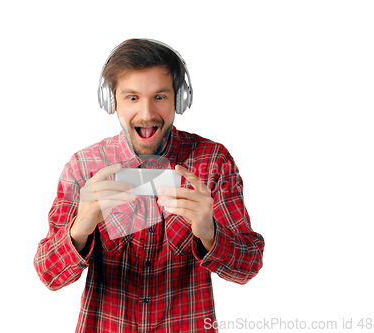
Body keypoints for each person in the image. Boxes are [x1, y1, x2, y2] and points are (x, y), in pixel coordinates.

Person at [33, 38, 265, 333]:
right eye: (132, 97)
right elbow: (49, 275)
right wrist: (80, 229)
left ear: (179, 99)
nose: (146, 114)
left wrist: (209, 232)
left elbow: (248, 266)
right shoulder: (85, 166)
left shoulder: (212, 162)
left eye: (159, 97)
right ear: (111, 100)